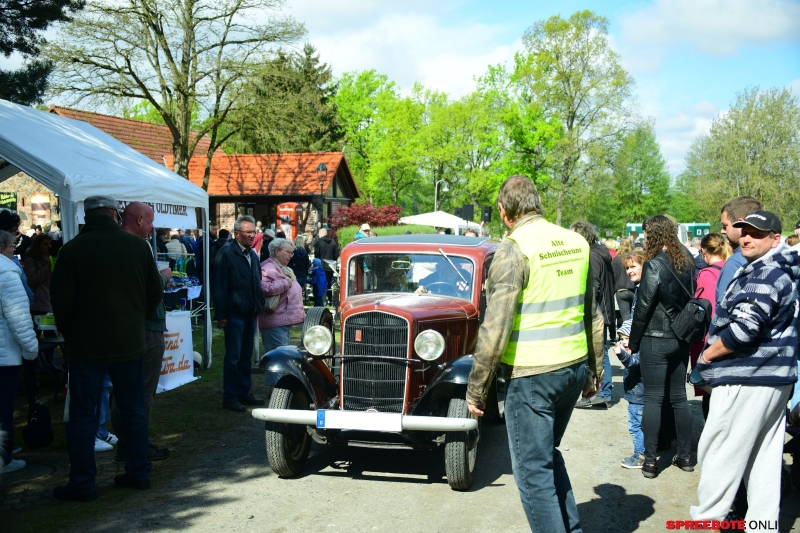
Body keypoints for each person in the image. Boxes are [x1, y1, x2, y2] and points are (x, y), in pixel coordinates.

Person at [466, 175, 599, 533]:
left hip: (533, 374)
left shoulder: (513, 248)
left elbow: (495, 325)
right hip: (572, 366)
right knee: (546, 456)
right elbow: (593, 313)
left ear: (503, 210)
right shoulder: (576, 242)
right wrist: (593, 371)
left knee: (531, 472)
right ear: (536, 202)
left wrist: (476, 389)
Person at [50, 195, 163, 501]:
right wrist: (135, 317)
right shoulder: (138, 247)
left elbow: (61, 301)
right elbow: (155, 292)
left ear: (87, 216)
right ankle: (139, 472)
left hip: (87, 348)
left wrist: (72, 331)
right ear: (115, 214)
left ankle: (83, 482)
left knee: (83, 415)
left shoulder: (73, 250)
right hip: (129, 343)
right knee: (134, 410)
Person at [690, 211, 799, 527]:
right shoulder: (777, 270)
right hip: (772, 376)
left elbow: (745, 329)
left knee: (720, 454)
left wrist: (707, 356)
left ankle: (708, 521)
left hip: (748, 376)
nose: (748, 237)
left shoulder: (766, 274)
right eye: (745, 231)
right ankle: (762, 525)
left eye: (758, 233)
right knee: (762, 459)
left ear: (776, 239)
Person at [628, 215, 695, 479]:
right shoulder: (687, 260)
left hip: (656, 338)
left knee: (654, 398)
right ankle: (687, 456)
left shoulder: (654, 265)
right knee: (679, 397)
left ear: (654, 235)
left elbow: (643, 307)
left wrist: (633, 342)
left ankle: (650, 460)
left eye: (646, 235)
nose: (644, 239)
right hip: (682, 336)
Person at [112, 202, 172, 462]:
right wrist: (164, 277)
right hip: (145, 328)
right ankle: (137, 446)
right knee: (143, 391)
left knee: (123, 390)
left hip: (128, 327)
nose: (152, 227)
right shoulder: (138, 246)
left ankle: (128, 444)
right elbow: (150, 288)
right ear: (137, 220)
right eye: (150, 221)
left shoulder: (115, 244)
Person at [212, 215, 265, 413]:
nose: (252, 236)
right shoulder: (226, 252)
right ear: (236, 234)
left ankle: (244, 392)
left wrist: (258, 305)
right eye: (248, 232)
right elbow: (219, 285)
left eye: (253, 232)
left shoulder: (252, 255)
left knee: (246, 356)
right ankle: (230, 396)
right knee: (233, 357)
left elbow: (256, 282)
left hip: (250, 313)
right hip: (234, 313)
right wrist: (222, 314)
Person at [0, 230, 39, 474]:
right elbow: (18, 317)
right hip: (4, 355)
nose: (15, 249)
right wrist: (31, 349)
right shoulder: (7, 272)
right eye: (13, 245)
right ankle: (3, 458)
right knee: (4, 406)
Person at [572, 220, 616, 409]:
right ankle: (601, 391)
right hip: (603, 309)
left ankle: (602, 392)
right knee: (601, 350)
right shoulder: (600, 252)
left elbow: (594, 285)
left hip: (599, 310)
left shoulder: (592, 255)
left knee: (600, 351)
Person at [688, 233, 730, 420]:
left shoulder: (707, 274)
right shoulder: (733, 268)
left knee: (709, 392)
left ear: (703, 251)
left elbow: (704, 310)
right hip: (730, 337)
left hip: (709, 338)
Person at [259, 238, 305, 353]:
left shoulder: (280, 268)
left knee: (281, 358)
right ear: (277, 251)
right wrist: (285, 283)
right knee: (277, 362)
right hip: (274, 322)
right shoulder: (267, 268)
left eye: (292, 253)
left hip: (282, 320)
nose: (291, 256)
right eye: (288, 252)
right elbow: (263, 288)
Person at [716, 196, 761, 303]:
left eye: (725, 226)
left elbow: (724, 308)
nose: (722, 231)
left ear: (740, 224)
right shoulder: (773, 255)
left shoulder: (735, 262)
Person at [613, 319, 644, 469]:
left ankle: (640, 455)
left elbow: (632, 363)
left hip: (638, 399)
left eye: (627, 338)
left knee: (636, 427)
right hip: (636, 397)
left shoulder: (639, 353)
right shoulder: (639, 351)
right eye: (621, 339)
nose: (623, 342)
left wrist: (621, 355)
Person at [612, 238, 635, 326]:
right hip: (633, 289)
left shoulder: (616, 259)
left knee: (626, 320)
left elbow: (613, 276)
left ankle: (625, 337)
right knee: (635, 317)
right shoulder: (633, 258)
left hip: (621, 291)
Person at [313, 227, 338, 300]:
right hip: (330, 266)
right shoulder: (333, 242)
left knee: (321, 282)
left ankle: (322, 298)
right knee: (329, 282)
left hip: (321, 266)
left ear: (321, 234)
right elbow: (336, 255)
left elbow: (316, 255)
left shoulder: (319, 243)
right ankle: (330, 298)